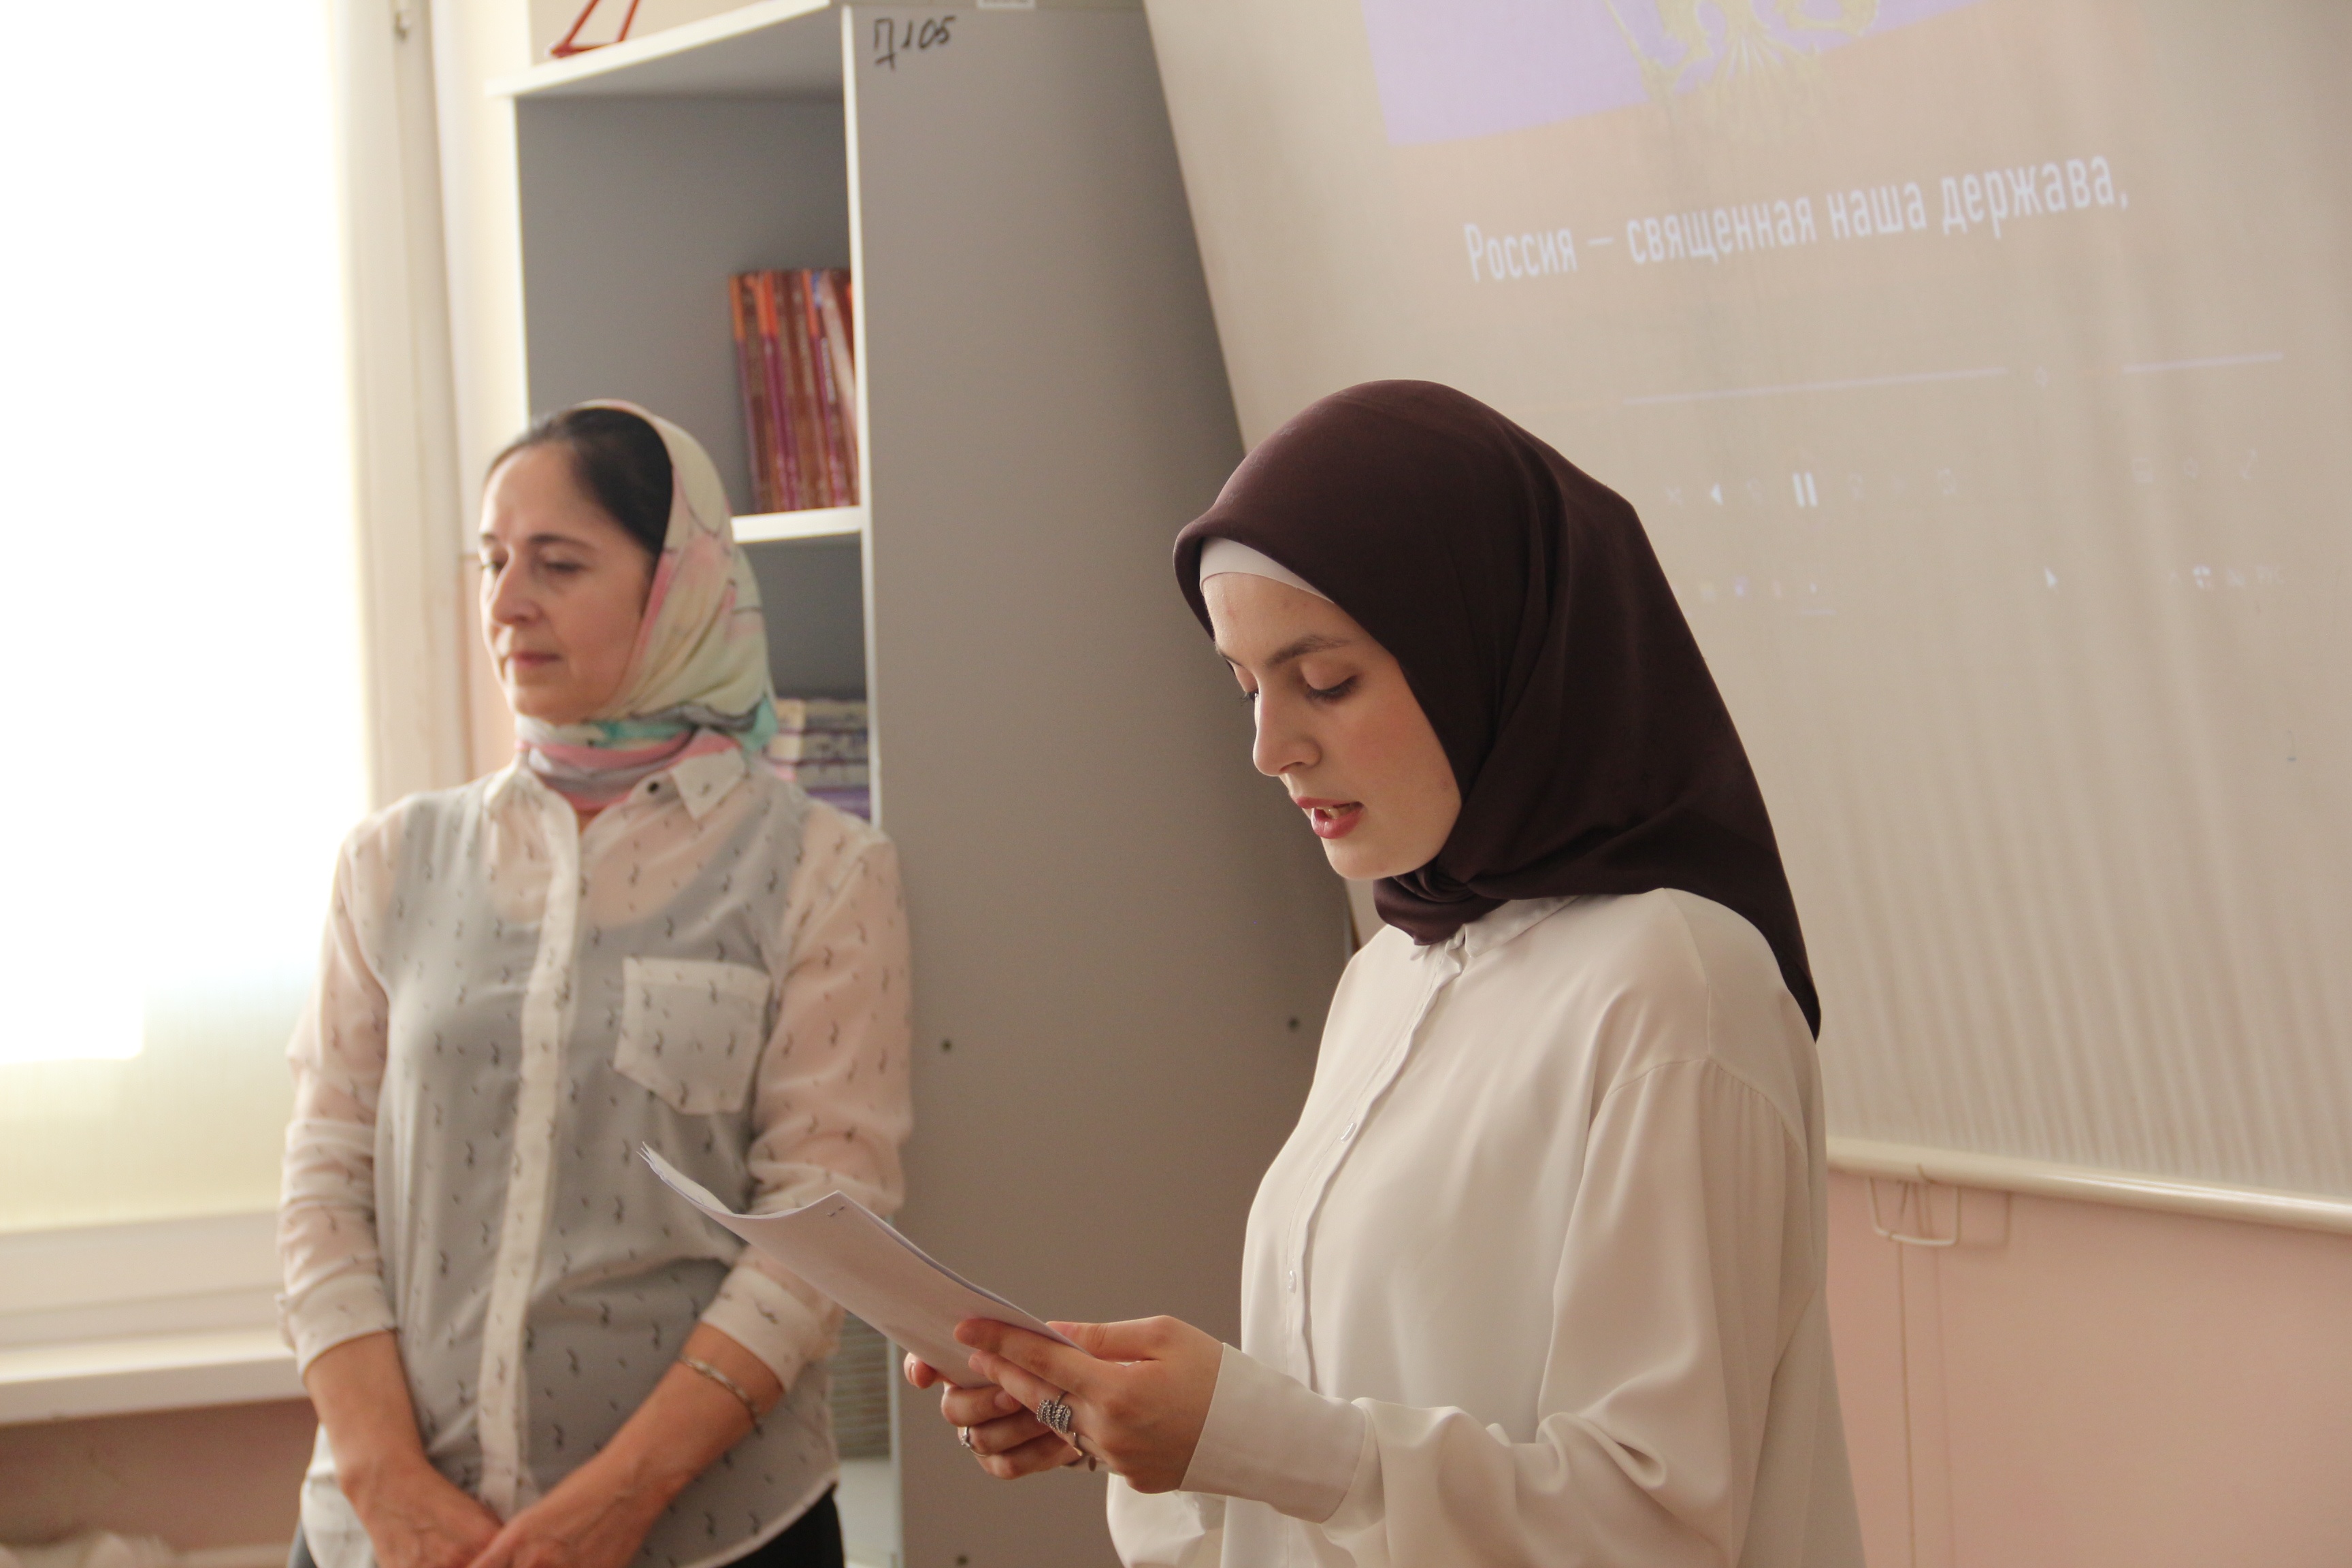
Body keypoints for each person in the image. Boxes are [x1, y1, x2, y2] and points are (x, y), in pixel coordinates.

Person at [907, 381, 1863, 1566]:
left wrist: (1245, 1435)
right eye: (1246, 688)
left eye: (1326, 682)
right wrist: (1132, 1428)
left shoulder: (1674, 985)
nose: (1272, 748)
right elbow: (1358, 1429)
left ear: (1488, 647)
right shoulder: (1391, 976)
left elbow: (1650, 1526)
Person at [279, 404, 911, 1568]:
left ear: (678, 588)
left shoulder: (824, 871)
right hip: (390, 1537)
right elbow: (326, 1178)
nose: (507, 601)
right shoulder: (392, 860)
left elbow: (824, 1224)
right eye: (493, 560)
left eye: (558, 564)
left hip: (715, 1534)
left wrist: (621, 1501)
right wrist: (385, 1483)